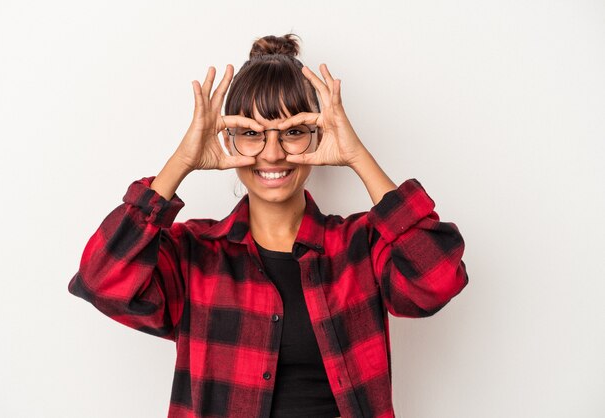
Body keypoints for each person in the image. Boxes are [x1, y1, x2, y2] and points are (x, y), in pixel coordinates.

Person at [68, 33, 469, 418]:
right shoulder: (193, 253)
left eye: (293, 132)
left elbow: (436, 280)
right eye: (251, 134)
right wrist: (181, 162)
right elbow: (101, 281)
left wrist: (357, 155)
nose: (273, 154)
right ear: (227, 141)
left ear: (317, 136)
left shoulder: (359, 246)